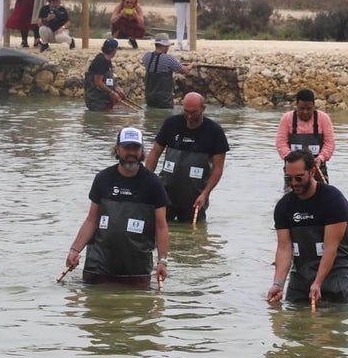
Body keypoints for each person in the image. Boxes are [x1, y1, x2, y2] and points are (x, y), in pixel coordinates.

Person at [64, 127, 169, 287]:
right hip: (98, 266)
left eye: (136, 148)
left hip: (136, 268)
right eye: (127, 148)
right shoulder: (103, 178)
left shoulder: (153, 183)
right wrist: (75, 250)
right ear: (117, 149)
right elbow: (92, 220)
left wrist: (162, 261)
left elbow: (161, 226)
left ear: (142, 151)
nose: (131, 153)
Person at [268, 150, 348, 306]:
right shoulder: (284, 206)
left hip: (337, 275)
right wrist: (278, 284)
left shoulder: (333, 200)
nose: (294, 183)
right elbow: (284, 248)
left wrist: (317, 283)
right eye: (289, 178)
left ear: (313, 171)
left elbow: (331, 248)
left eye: (299, 178)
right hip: (301, 276)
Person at [145, 92, 230, 223]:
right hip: (166, 193)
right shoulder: (171, 123)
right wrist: (147, 180)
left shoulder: (215, 131)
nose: (189, 116)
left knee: (192, 235)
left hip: (195, 197)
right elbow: (155, 153)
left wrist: (205, 194)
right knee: (159, 226)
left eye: (194, 112)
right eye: (186, 111)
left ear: (203, 108)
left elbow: (218, 169)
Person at [275, 88, 335, 182]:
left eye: (309, 109)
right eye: (302, 108)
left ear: (314, 106)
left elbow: (329, 143)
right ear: (296, 106)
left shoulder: (324, 119)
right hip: (293, 169)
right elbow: (281, 143)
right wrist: (290, 157)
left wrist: (321, 158)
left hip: (317, 167)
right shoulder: (286, 118)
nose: (305, 112)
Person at [141, 35, 191, 108]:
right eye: (168, 46)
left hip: (149, 98)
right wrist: (192, 65)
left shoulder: (146, 56)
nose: (168, 47)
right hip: (164, 100)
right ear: (164, 46)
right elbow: (184, 70)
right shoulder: (168, 58)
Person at [84, 38, 129, 111]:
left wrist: (116, 87)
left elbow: (109, 79)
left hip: (104, 99)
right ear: (114, 50)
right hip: (96, 100)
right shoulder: (101, 61)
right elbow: (98, 82)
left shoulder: (107, 61)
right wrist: (112, 93)